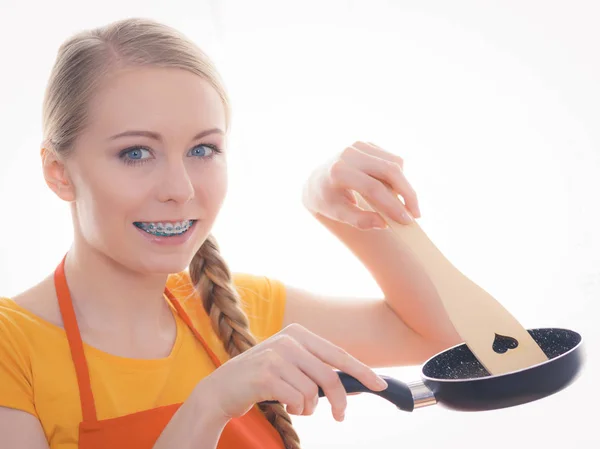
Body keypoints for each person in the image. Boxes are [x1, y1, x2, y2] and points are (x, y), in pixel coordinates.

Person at [0, 17, 461, 449]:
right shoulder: (12, 347)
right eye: (136, 153)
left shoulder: (237, 308)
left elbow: (451, 341)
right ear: (59, 172)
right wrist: (208, 405)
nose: (180, 190)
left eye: (202, 149)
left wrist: (346, 213)